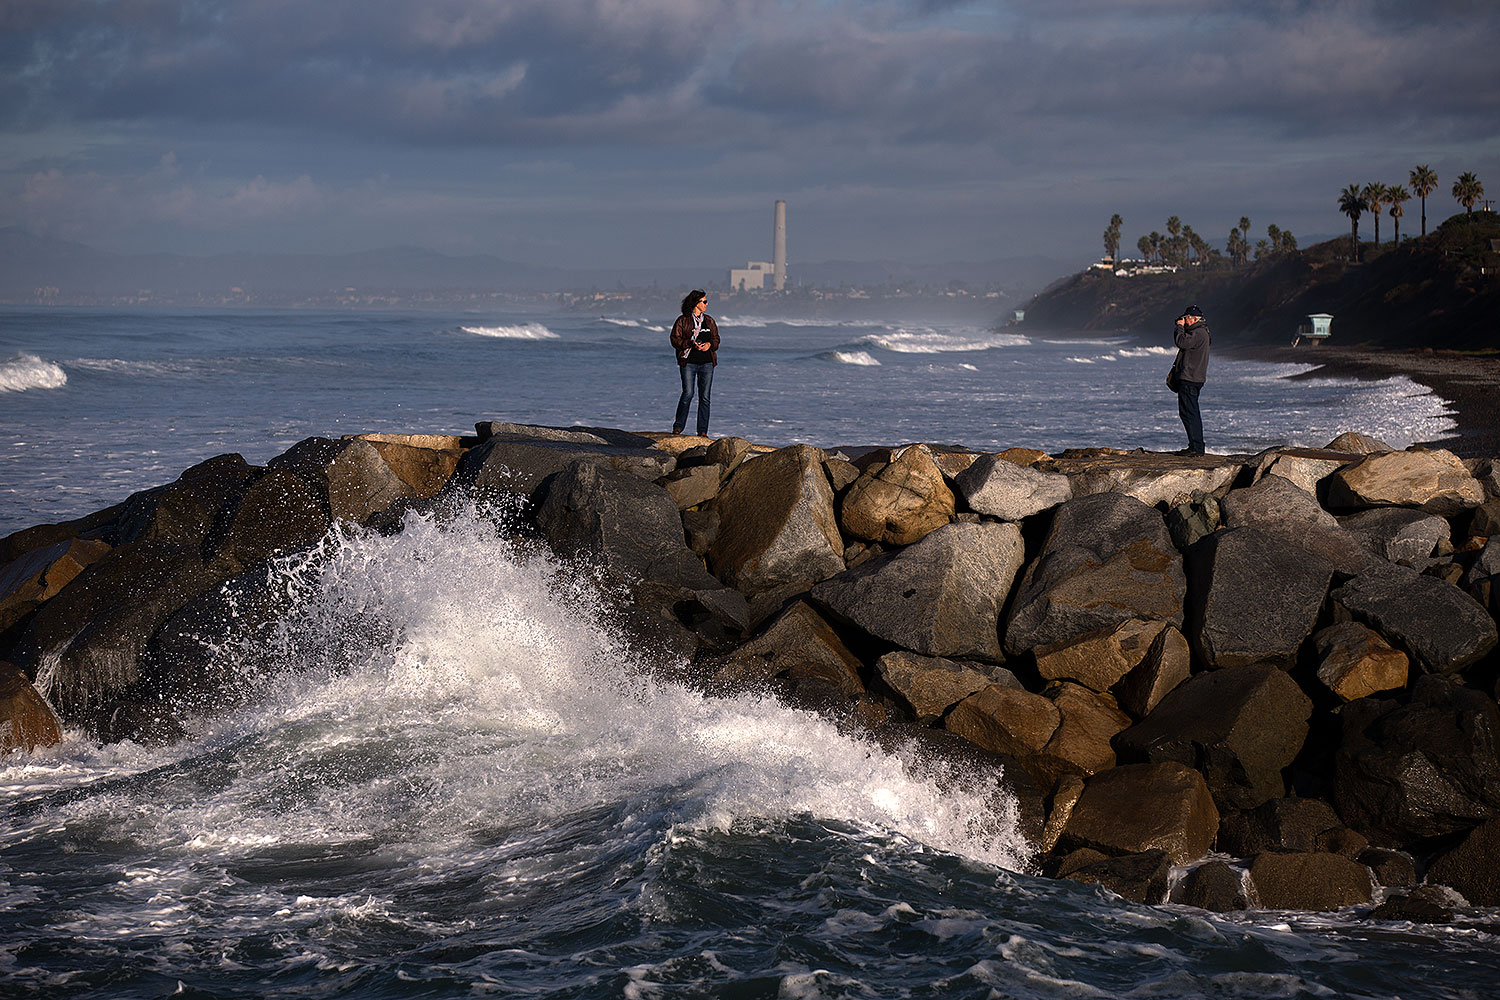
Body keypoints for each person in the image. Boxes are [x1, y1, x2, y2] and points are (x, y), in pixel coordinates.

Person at [669, 289, 719, 436]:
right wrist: (690, 343)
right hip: (688, 362)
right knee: (688, 393)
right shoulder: (682, 320)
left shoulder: (709, 320)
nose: (707, 304)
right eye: (704, 301)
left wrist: (710, 345)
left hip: (707, 363)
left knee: (705, 397)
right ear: (696, 303)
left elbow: (716, 339)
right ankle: (678, 427)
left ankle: (702, 431)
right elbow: (674, 339)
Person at [1171, 304, 1211, 455]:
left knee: (1189, 413)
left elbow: (1181, 342)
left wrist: (1179, 327)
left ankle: (1196, 448)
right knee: (1189, 412)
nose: (1185, 321)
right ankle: (1195, 446)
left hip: (1190, 378)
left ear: (1194, 319)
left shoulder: (1198, 333)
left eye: (1186, 318)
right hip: (1195, 377)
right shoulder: (1202, 332)